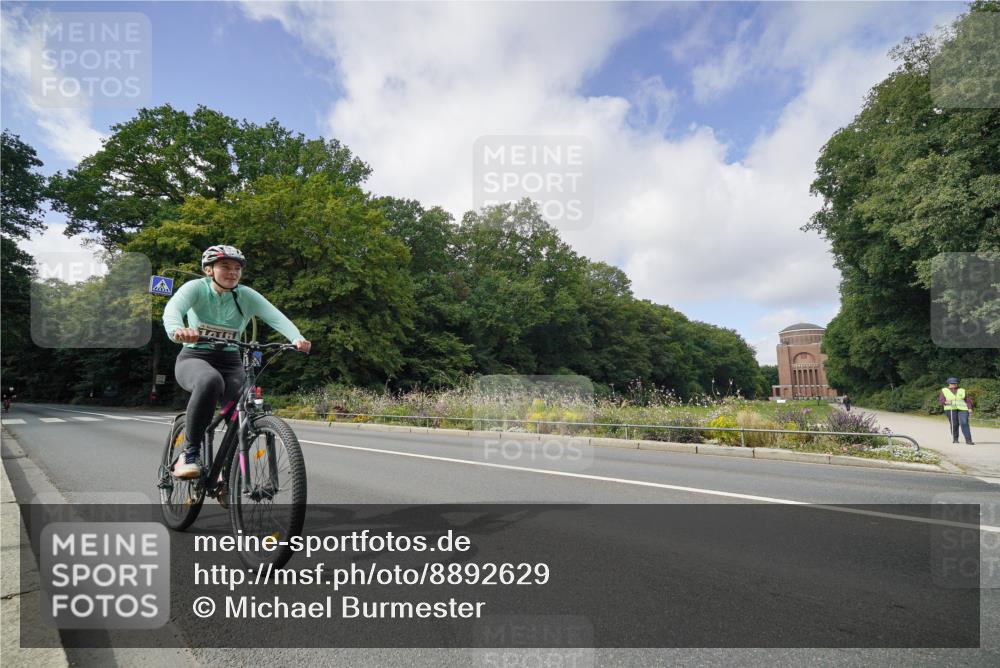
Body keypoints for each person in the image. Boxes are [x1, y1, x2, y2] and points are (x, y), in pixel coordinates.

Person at [162, 245, 311, 478]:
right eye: (225, 267)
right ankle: (189, 453)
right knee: (210, 381)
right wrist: (177, 330)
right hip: (195, 356)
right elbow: (172, 309)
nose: (232, 272)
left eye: (237, 268)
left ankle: (227, 472)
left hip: (231, 360)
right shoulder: (195, 289)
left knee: (245, 404)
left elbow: (276, 317)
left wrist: (297, 338)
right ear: (209, 270)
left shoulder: (246, 295)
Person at [938, 377, 974, 445]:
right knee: (954, 424)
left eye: (955, 383)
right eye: (952, 383)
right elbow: (941, 400)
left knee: (964, 422)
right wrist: (945, 402)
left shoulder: (962, 390)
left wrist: (970, 408)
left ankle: (969, 440)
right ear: (949, 383)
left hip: (963, 409)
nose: (954, 384)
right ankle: (955, 438)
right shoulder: (944, 390)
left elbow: (967, 400)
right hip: (950, 409)